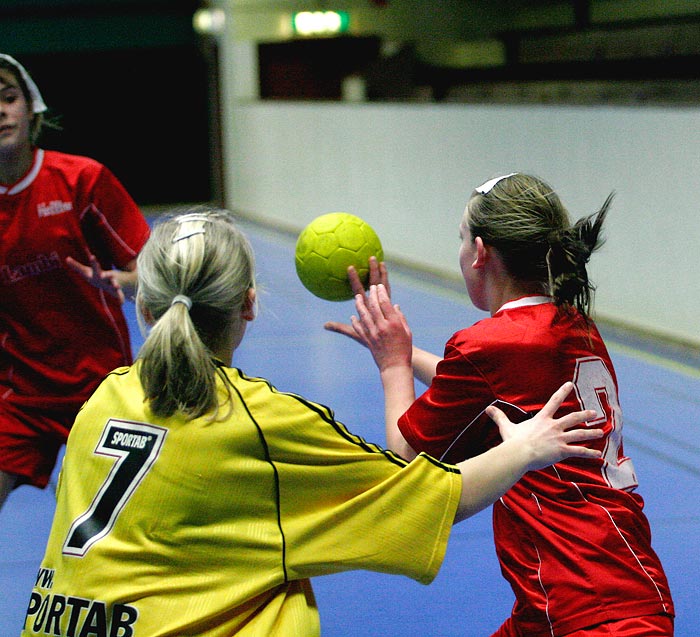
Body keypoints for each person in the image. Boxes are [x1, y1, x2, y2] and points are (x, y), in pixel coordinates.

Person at [21, 208, 603, 637]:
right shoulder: (256, 421)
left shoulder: (103, 398)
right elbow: (426, 492)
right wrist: (524, 447)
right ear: (248, 303)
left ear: (145, 308)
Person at [326, 173, 675, 636]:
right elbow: (490, 391)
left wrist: (392, 367)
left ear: (480, 252)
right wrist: (401, 350)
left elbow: (404, 459)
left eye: (459, 239)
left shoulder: (490, 345)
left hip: (584, 608)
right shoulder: (572, 325)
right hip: (608, 589)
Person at [0, 54, 150, 509]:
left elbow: (149, 268)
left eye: (9, 99)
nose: (1, 112)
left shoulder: (80, 179)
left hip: (101, 386)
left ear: (32, 109)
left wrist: (122, 282)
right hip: (19, 395)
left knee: (122, 520)